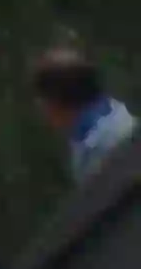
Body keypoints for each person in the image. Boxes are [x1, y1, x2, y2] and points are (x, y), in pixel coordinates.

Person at [37, 47, 136, 183]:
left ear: (55, 102)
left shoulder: (111, 144)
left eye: (44, 102)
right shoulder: (103, 121)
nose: (43, 112)